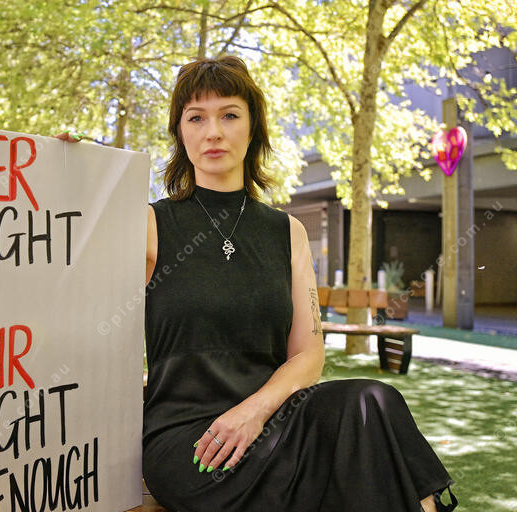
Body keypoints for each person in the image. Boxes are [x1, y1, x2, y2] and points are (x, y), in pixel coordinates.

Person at [58, 55, 458, 512]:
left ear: (253, 129)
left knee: (373, 400)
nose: (213, 131)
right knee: (363, 469)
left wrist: (253, 412)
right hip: (194, 443)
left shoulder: (288, 233)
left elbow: (308, 354)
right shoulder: (147, 224)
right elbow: (65, 268)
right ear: (180, 132)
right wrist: (64, 172)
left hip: (274, 421)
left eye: (229, 115)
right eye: (196, 118)